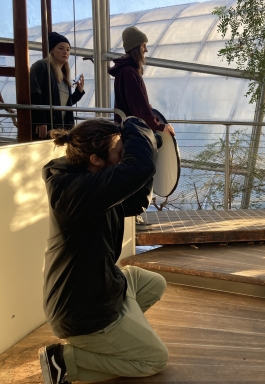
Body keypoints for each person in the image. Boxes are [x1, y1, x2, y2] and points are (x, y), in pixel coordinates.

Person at [38, 117, 168, 383]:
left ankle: (121, 333)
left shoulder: (91, 178)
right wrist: (134, 123)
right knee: (154, 359)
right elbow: (138, 169)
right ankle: (65, 360)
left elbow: (136, 199)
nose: (125, 158)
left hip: (101, 284)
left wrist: (153, 142)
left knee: (154, 284)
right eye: (120, 153)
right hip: (81, 310)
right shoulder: (72, 191)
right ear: (96, 159)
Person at [108, 26, 174, 136]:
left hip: (126, 130)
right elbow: (138, 109)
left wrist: (146, 106)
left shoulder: (123, 70)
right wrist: (160, 126)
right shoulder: (129, 72)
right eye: (143, 45)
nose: (146, 50)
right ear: (136, 48)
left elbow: (133, 103)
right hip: (134, 133)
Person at [30, 32, 85, 141]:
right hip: (47, 127)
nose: (65, 52)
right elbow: (35, 94)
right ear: (51, 50)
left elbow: (64, 104)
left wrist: (79, 91)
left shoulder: (63, 74)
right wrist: (41, 121)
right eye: (61, 48)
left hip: (61, 127)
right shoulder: (41, 66)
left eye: (68, 49)